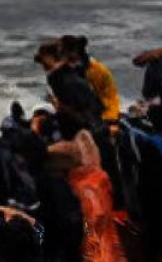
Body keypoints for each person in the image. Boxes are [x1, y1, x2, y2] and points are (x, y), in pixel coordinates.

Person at [47, 110, 125, 262]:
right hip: (109, 242)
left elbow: (90, 225)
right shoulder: (100, 176)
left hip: (96, 251)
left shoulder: (79, 188)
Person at [64, 36, 124, 125]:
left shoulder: (95, 69)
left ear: (73, 53)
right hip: (92, 110)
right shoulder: (74, 68)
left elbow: (93, 98)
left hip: (106, 114)